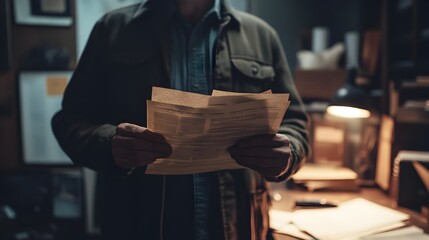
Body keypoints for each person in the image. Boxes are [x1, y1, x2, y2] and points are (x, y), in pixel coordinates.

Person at [52, 0, 310, 239]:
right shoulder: (111, 29)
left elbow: (295, 123)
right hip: (137, 226)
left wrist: (288, 153)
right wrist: (109, 144)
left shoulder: (261, 36)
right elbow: (69, 120)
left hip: (238, 227)